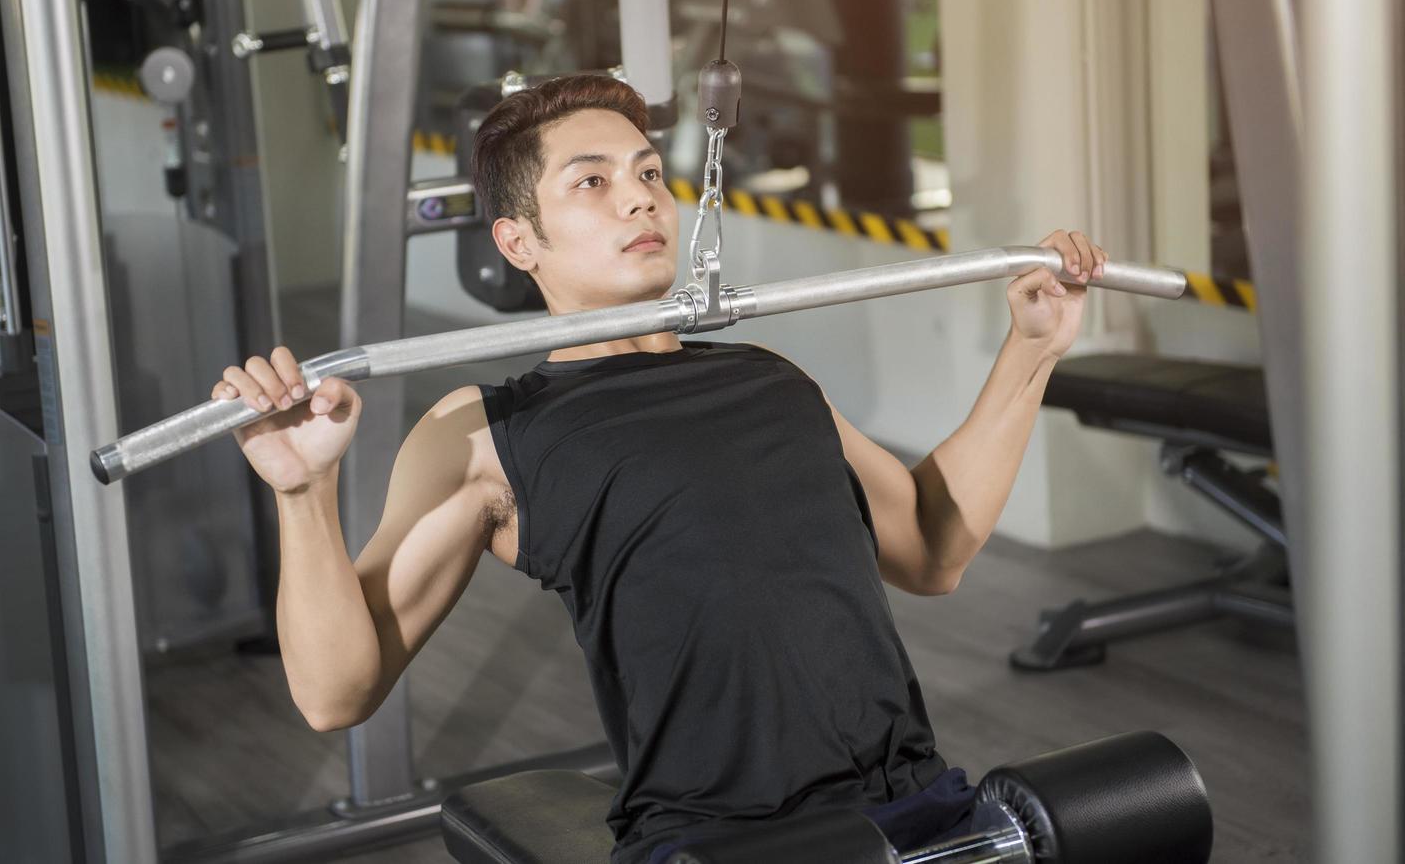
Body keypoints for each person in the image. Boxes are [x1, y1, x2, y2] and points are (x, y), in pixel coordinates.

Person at [212, 75, 1109, 863]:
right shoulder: (490, 432)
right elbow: (336, 695)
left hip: (918, 811)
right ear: (519, 243)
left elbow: (933, 548)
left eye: (648, 173)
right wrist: (303, 490)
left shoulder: (769, 379)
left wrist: (1032, 351)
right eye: (592, 183)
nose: (639, 200)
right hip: (722, 842)